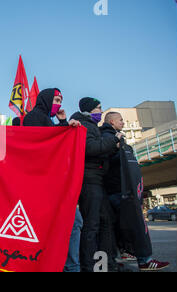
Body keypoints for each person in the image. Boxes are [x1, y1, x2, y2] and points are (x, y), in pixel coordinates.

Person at [22, 88, 82, 272]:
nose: (59, 103)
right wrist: (63, 126)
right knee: (72, 223)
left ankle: (67, 266)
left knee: (74, 223)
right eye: (56, 99)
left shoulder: (47, 119)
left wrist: (63, 122)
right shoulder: (34, 117)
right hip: (44, 182)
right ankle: (69, 267)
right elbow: (41, 145)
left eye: (61, 99)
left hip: (52, 181)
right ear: (47, 99)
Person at [101, 112, 170, 271]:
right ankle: (145, 260)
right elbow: (108, 161)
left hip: (115, 189)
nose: (123, 123)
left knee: (118, 226)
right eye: (121, 120)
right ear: (112, 121)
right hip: (121, 189)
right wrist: (119, 148)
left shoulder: (111, 136)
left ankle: (120, 256)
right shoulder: (110, 138)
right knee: (136, 225)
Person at [70, 97, 122, 272]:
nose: (100, 111)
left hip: (98, 180)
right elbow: (90, 148)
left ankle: (104, 264)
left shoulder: (92, 126)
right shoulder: (82, 126)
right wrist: (113, 140)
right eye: (98, 108)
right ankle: (89, 266)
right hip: (89, 180)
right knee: (91, 225)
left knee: (106, 221)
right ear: (89, 110)